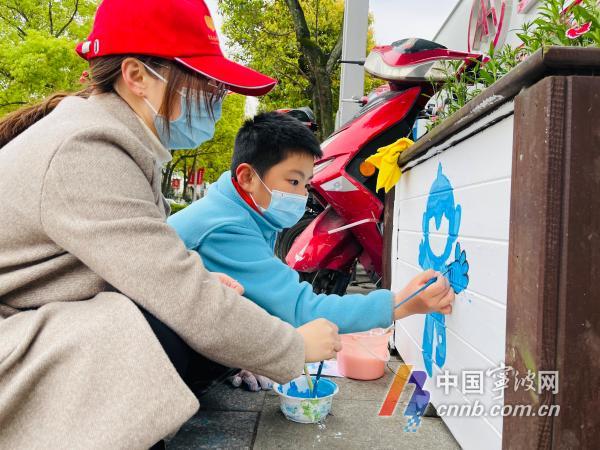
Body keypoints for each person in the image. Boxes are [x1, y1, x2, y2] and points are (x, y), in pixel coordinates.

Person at [0, 1, 341, 448]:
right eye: (206, 86)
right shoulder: (86, 150)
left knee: (207, 318)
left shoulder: (116, 139)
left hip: (31, 318)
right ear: (137, 76)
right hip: (14, 341)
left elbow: (154, 269)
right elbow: (175, 290)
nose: (217, 100)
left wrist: (234, 324)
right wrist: (290, 347)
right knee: (169, 326)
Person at [168, 112, 455, 386]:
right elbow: (300, 309)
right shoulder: (226, 228)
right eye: (292, 181)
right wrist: (401, 304)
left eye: (305, 184)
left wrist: (245, 356)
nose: (300, 195)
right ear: (246, 177)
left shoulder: (240, 210)